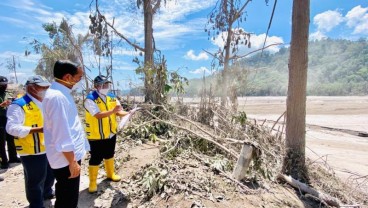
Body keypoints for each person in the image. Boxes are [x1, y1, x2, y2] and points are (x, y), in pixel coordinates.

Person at [42, 60, 90, 208]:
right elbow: (61, 132)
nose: (79, 81)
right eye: (79, 77)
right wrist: (72, 161)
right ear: (68, 77)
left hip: (68, 156)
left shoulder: (62, 93)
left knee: (67, 194)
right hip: (66, 159)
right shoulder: (57, 97)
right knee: (67, 198)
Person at [6, 75, 55, 208]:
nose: (46, 89)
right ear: (32, 88)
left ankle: (47, 192)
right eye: (43, 87)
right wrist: (37, 130)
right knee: (35, 180)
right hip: (31, 150)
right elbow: (11, 128)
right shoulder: (19, 105)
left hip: (49, 147)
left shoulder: (46, 102)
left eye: (47, 87)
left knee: (50, 174)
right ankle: (36, 204)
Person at [84, 75, 129, 193]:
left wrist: (128, 114)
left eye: (107, 84)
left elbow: (118, 112)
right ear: (96, 86)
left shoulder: (112, 97)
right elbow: (97, 115)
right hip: (96, 135)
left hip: (110, 133)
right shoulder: (90, 99)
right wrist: (113, 111)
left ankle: (110, 174)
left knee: (109, 154)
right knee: (95, 158)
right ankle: (92, 182)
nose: (106, 87)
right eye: (103, 85)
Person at [0, 76, 20, 169]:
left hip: (8, 118)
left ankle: (13, 158)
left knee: (11, 139)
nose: (4, 86)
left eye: (5, 84)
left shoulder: (8, 93)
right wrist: (1, 105)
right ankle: (3, 162)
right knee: (1, 142)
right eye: (2, 85)